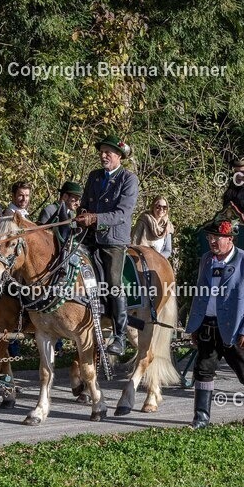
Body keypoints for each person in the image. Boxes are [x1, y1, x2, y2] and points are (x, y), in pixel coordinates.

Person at [183, 218, 244, 428]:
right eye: (210, 237)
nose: (212, 242)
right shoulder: (206, 260)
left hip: (235, 329)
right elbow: (199, 295)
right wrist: (195, 325)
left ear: (230, 239)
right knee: (203, 370)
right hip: (208, 325)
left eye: (217, 238)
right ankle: (201, 418)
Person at [76, 135, 138, 355]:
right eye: (101, 152)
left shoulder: (128, 179)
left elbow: (122, 213)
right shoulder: (93, 176)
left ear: (119, 156)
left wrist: (96, 219)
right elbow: (84, 204)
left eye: (108, 153)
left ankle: (120, 337)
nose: (103, 156)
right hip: (89, 236)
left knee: (113, 282)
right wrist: (82, 215)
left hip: (113, 240)